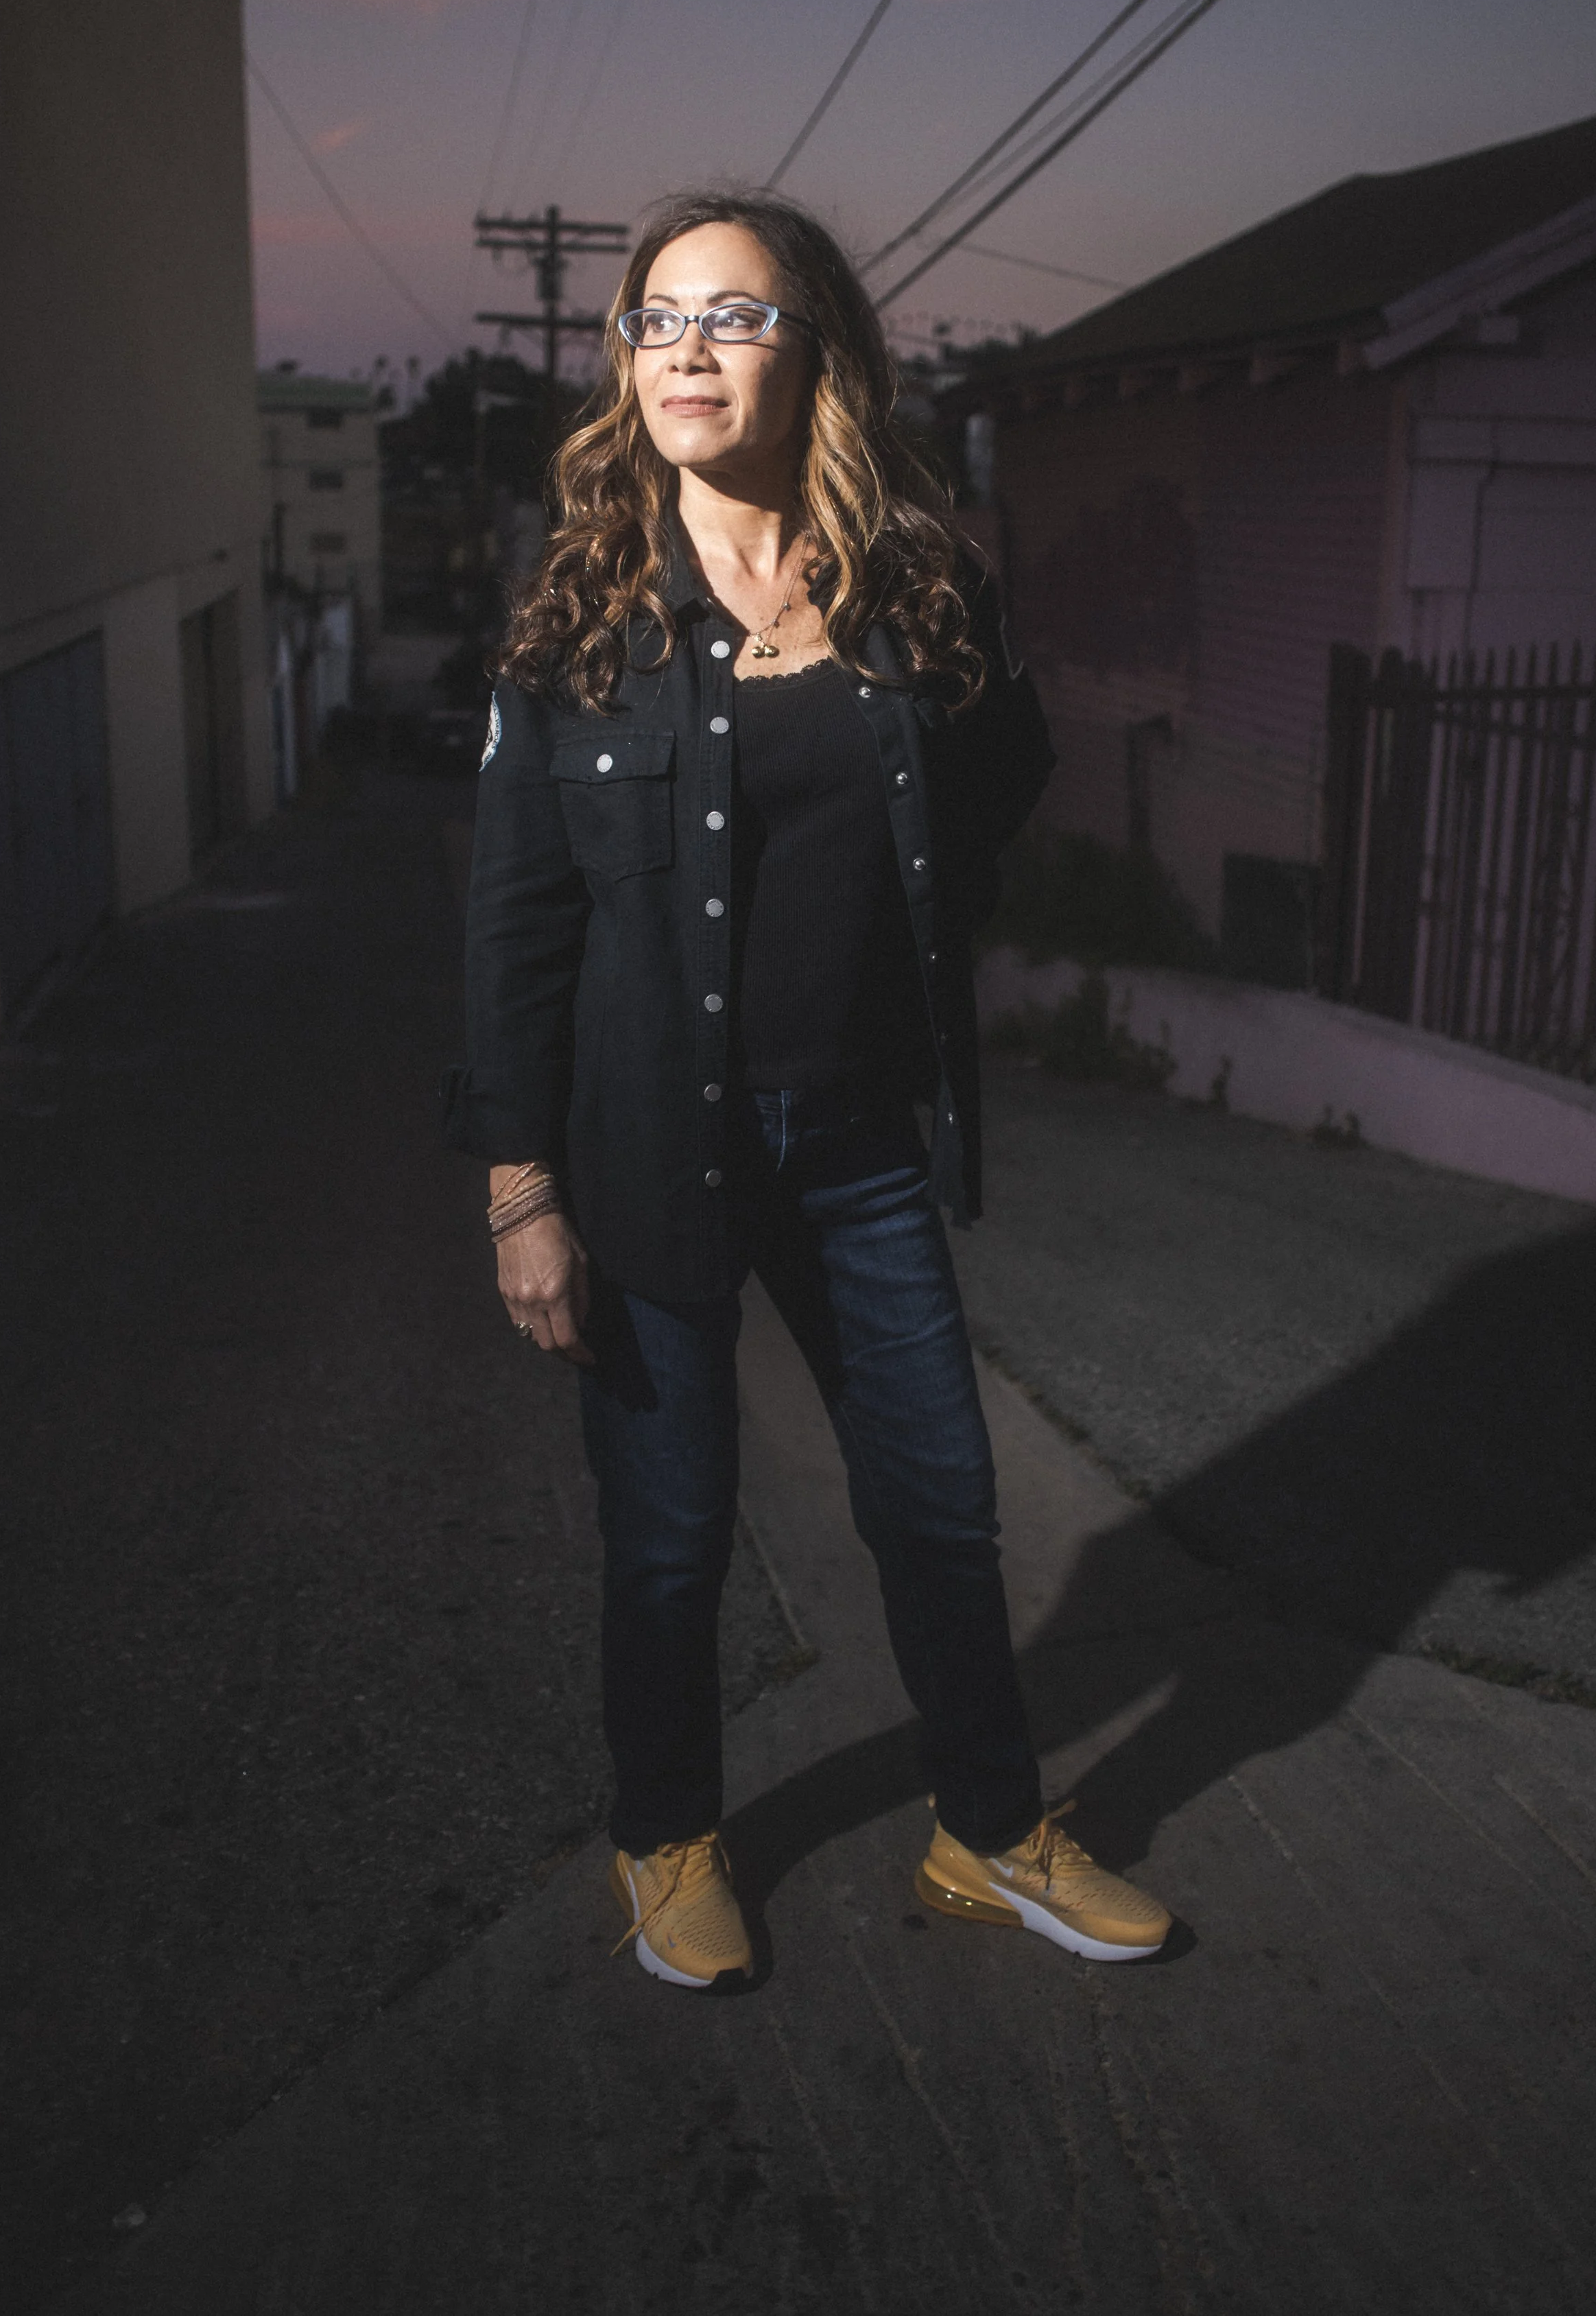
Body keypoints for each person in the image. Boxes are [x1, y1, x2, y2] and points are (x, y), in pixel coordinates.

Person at [445, 191, 1171, 1989]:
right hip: (641, 1152)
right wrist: (518, 1189)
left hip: (853, 1144)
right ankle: (666, 1833)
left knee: (937, 1500)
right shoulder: (579, 612)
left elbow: (1005, 765)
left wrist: (899, 931)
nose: (686, 347)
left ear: (811, 347)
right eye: (657, 318)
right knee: (675, 1537)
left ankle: (983, 1828)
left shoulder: (914, 583)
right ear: (628, 361)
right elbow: (513, 924)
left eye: (735, 316)